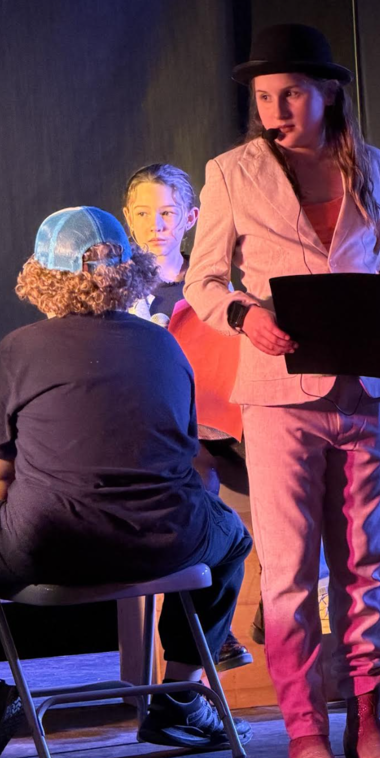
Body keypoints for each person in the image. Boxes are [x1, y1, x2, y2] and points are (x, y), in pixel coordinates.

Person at [0, 206, 252, 758]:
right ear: (130, 272)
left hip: (54, 547)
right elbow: (186, 453)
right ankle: (179, 695)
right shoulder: (164, 345)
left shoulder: (21, 347)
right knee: (233, 540)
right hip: (168, 542)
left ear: (44, 277)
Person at [183, 24, 380, 758]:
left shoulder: (372, 165)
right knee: (289, 571)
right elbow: (203, 280)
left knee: (365, 564)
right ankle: (302, 729)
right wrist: (244, 314)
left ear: (327, 94)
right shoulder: (231, 172)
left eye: (289, 93)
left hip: (366, 387)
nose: (275, 108)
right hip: (281, 394)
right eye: (263, 97)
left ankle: (369, 720)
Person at [123, 162, 253, 672]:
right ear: (127, 219)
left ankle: (282, 608)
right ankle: (204, 634)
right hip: (155, 430)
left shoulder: (209, 289)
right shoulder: (116, 291)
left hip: (218, 420)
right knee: (193, 478)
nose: (156, 225)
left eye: (168, 214)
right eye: (144, 214)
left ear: (192, 218)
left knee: (286, 465)